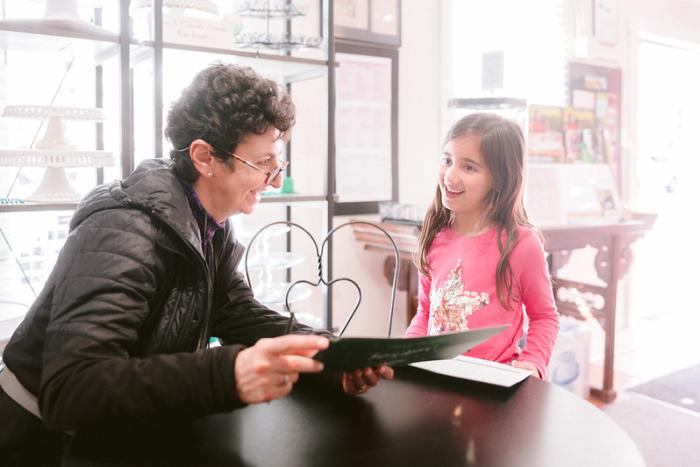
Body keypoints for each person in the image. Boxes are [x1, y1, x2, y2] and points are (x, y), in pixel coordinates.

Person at [0, 63, 392, 464]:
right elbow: (72, 389)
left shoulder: (210, 223)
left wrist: (331, 354)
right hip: (43, 443)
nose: (275, 181)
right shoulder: (122, 229)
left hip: (117, 433)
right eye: (263, 164)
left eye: (278, 162)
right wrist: (226, 372)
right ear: (205, 156)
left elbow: (236, 312)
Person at [405, 112, 559, 378]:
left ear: (499, 179)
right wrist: (406, 353)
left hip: (493, 386)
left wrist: (533, 362)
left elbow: (545, 317)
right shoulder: (434, 237)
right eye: (447, 160)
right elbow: (427, 312)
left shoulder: (522, 244)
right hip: (434, 380)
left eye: (469, 167)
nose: (450, 176)